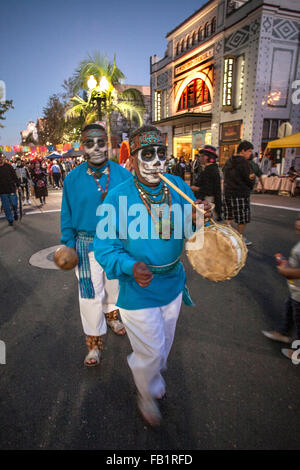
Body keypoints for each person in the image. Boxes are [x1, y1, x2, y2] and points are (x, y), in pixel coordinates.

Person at [93, 125, 211, 427]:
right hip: (137, 290)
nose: (157, 160)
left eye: (162, 153)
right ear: (132, 159)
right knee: (153, 350)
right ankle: (145, 392)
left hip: (173, 284)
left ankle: (150, 378)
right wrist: (130, 267)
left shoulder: (176, 185)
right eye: (148, 154)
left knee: (164, 346)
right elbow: (105, 248)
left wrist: (198, 219)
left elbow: (190, 234)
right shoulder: (117, 198)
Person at [60, 123, 131, 367]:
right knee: (90, 295)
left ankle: (112, 317)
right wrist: (67, 243)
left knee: (114, 288)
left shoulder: (124, 175)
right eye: (90, 143)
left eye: (101, 142)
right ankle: (94, 343)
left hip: (116, 244)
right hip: (85, 245)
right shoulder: (72, 178)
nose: (97, 148)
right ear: (82, 147)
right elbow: (66, 214)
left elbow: (134, 211)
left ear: (108, 144)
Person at [262, 215, 300, 362]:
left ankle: (297, 352)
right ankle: (283, 333)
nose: (297, 223)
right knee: (289, 310)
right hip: (294, 291)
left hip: (298, 292)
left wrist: (286, 271)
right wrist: (287, 264)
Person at [223, 140, 256, 246]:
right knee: (242, 217)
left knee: (229, 215)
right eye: (249, 151)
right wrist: (251, 185)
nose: (250, 154)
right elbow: (250, 179)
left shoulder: (229, 161)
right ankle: (239, 237)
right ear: (243, 151)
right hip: (240, 193)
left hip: (228, 192)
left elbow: (224, 173)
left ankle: (229, 235)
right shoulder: (245, 163)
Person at [190, 145, 222, 221]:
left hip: (207, 200)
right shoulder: (211, 169)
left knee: (204, 224)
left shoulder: (210, 170)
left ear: (206, 157)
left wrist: (194, 188)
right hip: (206, 199)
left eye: (201, 156)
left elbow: (209, 189)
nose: (199, 158)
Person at [0, 153, 20, 226]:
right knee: (6, 207)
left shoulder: (8, 166)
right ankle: (10, 219)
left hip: (11, 188)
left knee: (14, 204)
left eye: (0, 157)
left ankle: (15, 211)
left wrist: (18, 185)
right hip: (2, 191)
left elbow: (14, 176)